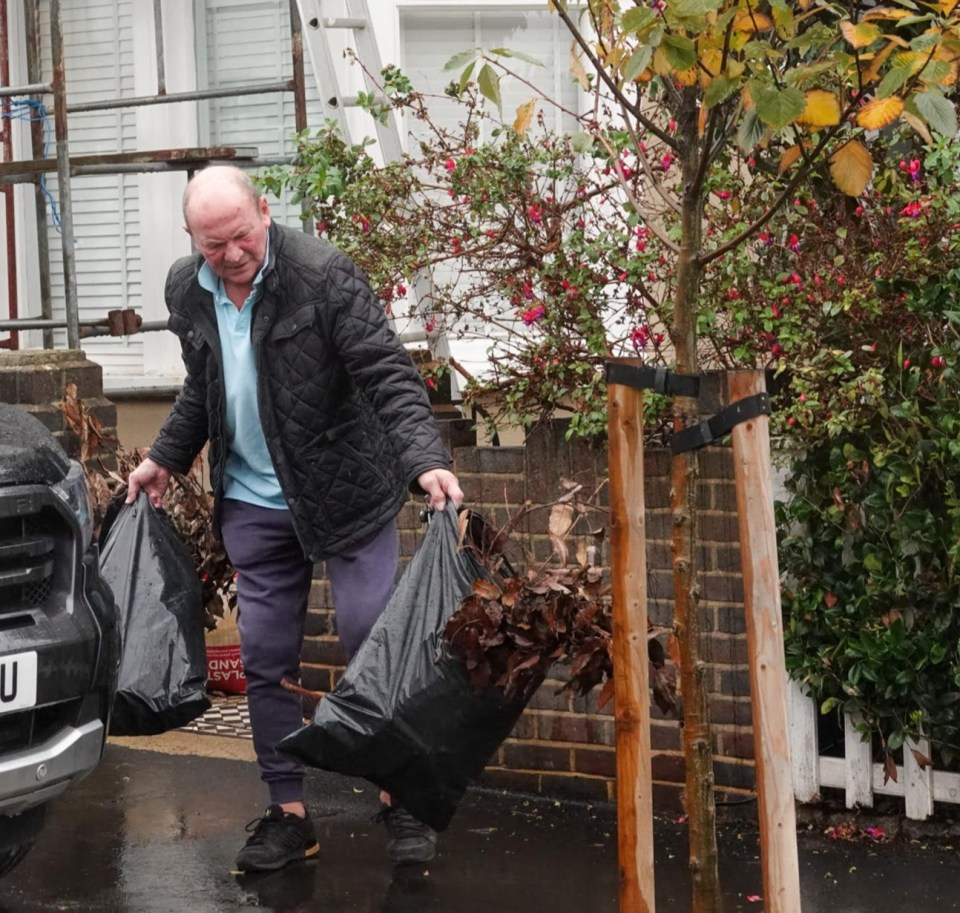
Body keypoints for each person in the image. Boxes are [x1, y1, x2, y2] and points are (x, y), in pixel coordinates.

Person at [127, 164, 463, 874]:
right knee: (266, 658)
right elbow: (205, 385)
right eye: (212, 244)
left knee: (375, 637)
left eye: (241, 236)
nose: (231, 255)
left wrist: (424, 461)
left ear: (265, 213)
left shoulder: (323, 275)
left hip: (346, 492)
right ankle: (288, 814)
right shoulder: (188, 289)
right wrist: (165, 456)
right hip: (252, 499)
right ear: (193, 240)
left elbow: (385, 372)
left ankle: (398, 792)